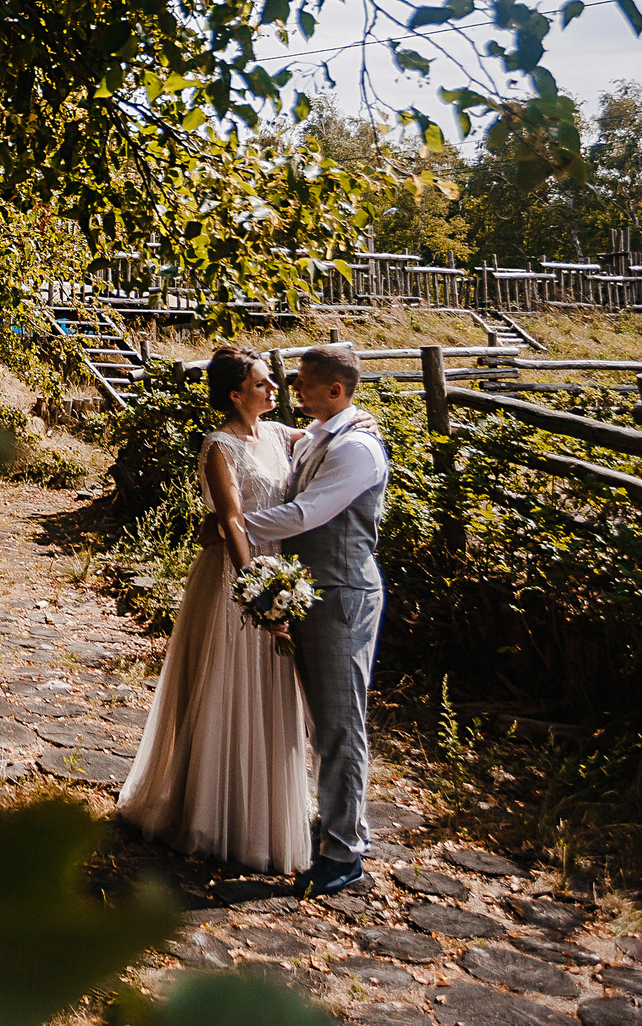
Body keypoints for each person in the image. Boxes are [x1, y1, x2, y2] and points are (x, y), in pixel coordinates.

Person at [116, 345, 313, 874]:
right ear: (235, 393)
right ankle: (206, 811)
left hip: (275, 569)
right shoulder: (219, 446)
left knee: (268, 692)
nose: (275, 390)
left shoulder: (278, 436)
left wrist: (357, 417)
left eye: (272, 382)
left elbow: (325, 437)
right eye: (263, 383)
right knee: (225, 686)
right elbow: (229, 520)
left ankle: (257, 812)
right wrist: (257, 589)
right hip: (235, 574)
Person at [239, 343, 389, 899]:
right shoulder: (322, 434)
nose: (293, 387)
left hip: (343, 596)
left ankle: (344, 854)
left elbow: (308, 513)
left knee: (340, 723)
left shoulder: (357, 449)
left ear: (336, 390)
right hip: (310, 592)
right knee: (320, 718)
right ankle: (338, 826)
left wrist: (234, 528)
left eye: (303, 382)